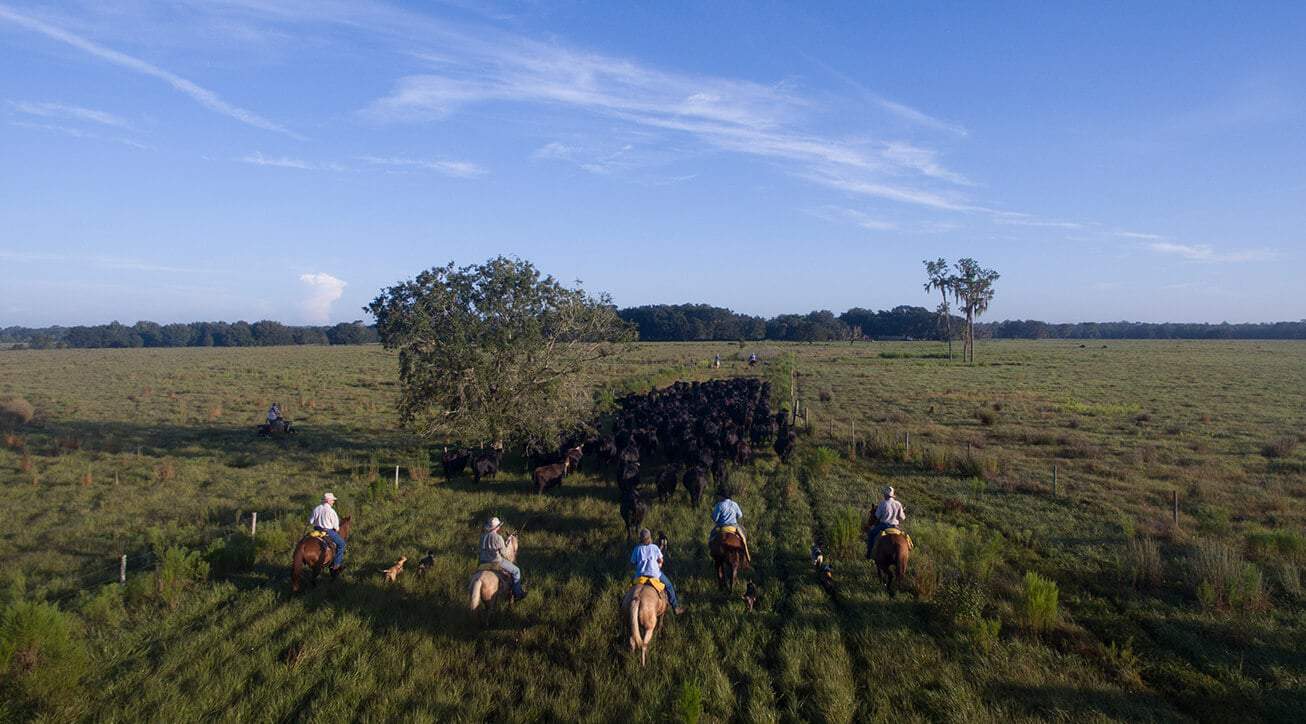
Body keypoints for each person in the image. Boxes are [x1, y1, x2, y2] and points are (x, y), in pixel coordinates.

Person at [630, 528, 684, 615]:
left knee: (630, 588)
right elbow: (660, 560)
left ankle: (622, 603)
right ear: (649, 538)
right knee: (669, 586)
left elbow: (632, 562)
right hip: (655, 574)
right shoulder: (655, 547)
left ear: (640, 539)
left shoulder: (637, 549)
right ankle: (675, 607)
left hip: (640, 575)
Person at [480, 517, 527, 601]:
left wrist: (505, 543)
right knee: (516, 571)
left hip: (483, 562)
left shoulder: (483, 537)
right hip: (496, 561)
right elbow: (504, 553)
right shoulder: (498, 537)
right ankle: (517, 593)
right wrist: (507, 543)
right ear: (497, 527)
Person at [709, 489, 750, 563]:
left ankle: (712, 552)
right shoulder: (734, 504)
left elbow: (715, 519)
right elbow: (740, 515)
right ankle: (746, 555)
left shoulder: (719, 505)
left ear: (722, 496)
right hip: (734, 527)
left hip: (722, 527)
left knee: (711, 536)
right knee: (744, 537)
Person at [866, 485, 907, 558]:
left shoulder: (883, 503)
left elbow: (877, 516)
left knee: (871, 534)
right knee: (906, 538)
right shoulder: (898, 504)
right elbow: (903, 517)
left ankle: (869, 553)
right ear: (893, 495)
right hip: (895, 527)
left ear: (885, 494)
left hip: (883, 525)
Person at [308, 492, 345, 572]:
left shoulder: (317, 508)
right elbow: (336, 527)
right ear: (328, 500)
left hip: (316, 530)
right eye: (332, 500)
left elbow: (311, 521)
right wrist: (336, 529)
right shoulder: (331, 511)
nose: (333, 502)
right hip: (327, 531)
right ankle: (336, 565)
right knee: (342, 544)